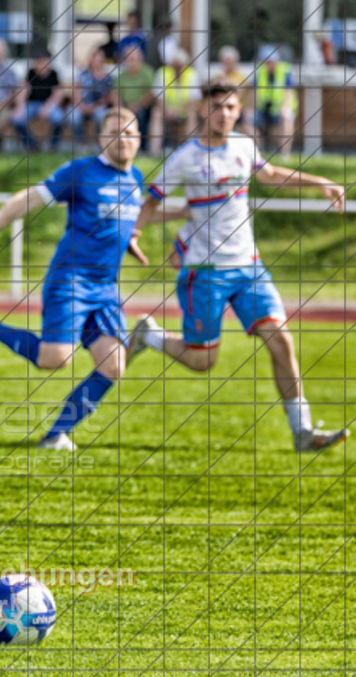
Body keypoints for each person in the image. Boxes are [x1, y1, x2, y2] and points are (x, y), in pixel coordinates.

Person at [128, 76, 349, 453]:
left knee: (281, 340)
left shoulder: (245, 146)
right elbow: (150, 203)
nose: (223, 114)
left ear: (238, 111)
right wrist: (132, 235)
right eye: (216, 107)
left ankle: (303, 432)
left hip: (249, 267)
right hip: (205, 273)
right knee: (203, 361)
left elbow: (272, 174)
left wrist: (320, 182)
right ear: (203, 110)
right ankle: (149, 334)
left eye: (230, 107)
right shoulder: (184, 158)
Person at [0, 109, 151, 451]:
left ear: (140, 139)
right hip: (71, 279)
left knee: (114, 364)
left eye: (130, 134)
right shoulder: (81, 171)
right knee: (54, 358)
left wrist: (128, 242)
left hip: (106, 287)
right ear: (102, 138)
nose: (123, 140)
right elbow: (30, 197)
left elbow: (119, 222)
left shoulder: (136, 179)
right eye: (115, 132)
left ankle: (56, 435)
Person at [11, 48, 69, 151]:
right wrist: (19, 107)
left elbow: (58, 93)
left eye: (42, 61)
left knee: (59, 118)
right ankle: (32, 144)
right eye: (37, 61)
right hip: (32, 104)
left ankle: (53, 145)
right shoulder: (30, 73)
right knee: (17, 120)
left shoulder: (54, 74)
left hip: (49, 105)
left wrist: (48, 107)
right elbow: (23, 89)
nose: (39, 64)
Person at [151, 48, 198, 152]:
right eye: (175, 65)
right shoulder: (162, 73)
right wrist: (167, 110)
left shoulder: (191, 74)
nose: (178, 68)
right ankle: (155, 150)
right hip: (166, 110)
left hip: (184, 110)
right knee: (156, 114)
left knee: (192, 114)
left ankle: (191, 149)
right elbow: (158, 98)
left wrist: (179, 111)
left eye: (180, 65)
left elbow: (193, 100)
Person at [253, 46, 297, 155]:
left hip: (280, 108)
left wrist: (284, 107)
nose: (269, 64)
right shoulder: (260, 72)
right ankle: (257, 152)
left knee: (286, 117)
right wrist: (250, 109)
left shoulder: (284, 70)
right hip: (264, 108)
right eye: (266, 61)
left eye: (271, 61)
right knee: (248, 120)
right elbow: (252, 92)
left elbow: (288, 92)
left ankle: (284, 153)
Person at [112, 46, 155, 152]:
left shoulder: (147, 72)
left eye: (133, 59)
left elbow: (151, 93)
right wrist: (120, 109)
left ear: (140, 60)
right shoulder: (122, 76)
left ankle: (142, 147)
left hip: (144, 106)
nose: (131, 62)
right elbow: (115, 94)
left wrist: (138, 105)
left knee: (140, 116)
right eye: (128, 59)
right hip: (126, 106)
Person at [73, 48, 115, 145]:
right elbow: (76, 92)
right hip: (81, 105)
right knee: (73, 117)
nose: (97, 62)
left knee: (102, 116)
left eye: (100, 59)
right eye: (95, 59)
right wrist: (81, 106)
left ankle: (100, 143)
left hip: (98, 107)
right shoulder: (83, 74)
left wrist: (93, 107)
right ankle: (80, 142)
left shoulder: (108, 77)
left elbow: (108, 97)